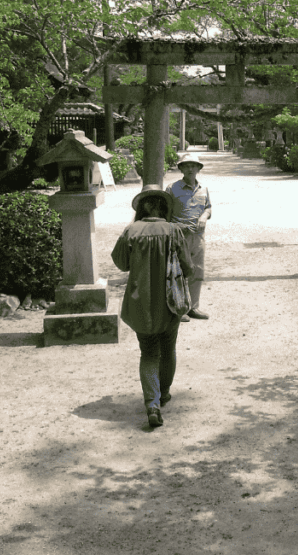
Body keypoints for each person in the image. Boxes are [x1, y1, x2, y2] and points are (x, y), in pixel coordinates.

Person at [111, 184, 194, 428]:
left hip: (140, 303)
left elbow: (121, 264)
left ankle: (152, 403)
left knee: (148, 352)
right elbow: (188, 268)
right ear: (164, 206)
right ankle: (164, 393)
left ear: (143, 207)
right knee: (168, 349)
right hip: (170, 302)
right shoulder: (174, 230)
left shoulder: (131, 231)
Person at [166, 153, 211, 321]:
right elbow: (165, 213)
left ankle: (194, 307)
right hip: (178, 237)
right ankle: (179, 308)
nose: (190, 168)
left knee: (197, 271)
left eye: (194, 166)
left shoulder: (203, 189)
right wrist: (176, 226)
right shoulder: (172, 188)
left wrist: (204, 217)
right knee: (179, 272)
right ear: (181, 169)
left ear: (199, 169)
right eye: (186, 166)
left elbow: (208, 208)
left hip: (198, 237)